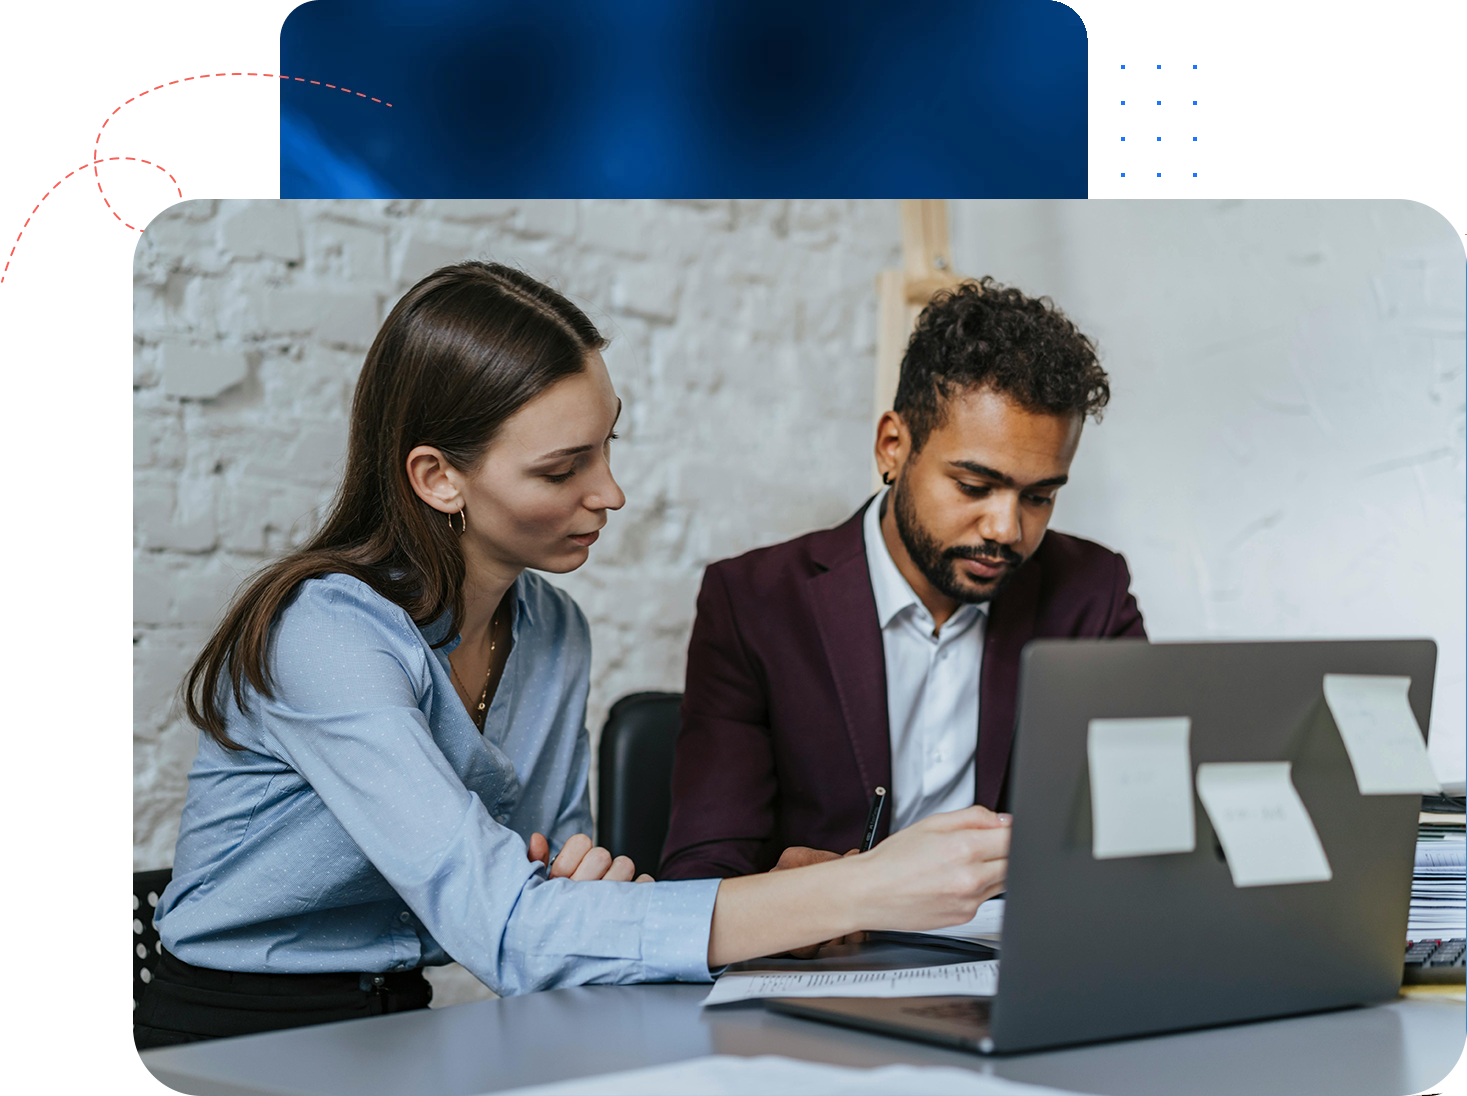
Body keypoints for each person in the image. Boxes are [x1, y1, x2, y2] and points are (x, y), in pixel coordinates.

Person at [134, 262, 1012, 1050]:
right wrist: (858, 890)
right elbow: (513, 931)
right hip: (227, 1038)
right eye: (562, 470)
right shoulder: (324, 635)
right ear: (438, 477)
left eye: (608, 446)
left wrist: (579, 889)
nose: (610, 493)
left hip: (401, 1022)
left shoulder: (552, 630)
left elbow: (559, 894)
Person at [659, 277, 1146, 887]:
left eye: (1040, 497)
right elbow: (702, 871)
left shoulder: (1092, 594)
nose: (1006, 529)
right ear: (893, 446)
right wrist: (798, 901)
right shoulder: (754, 603)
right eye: (973, 486)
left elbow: (1145, 827)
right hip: (826, 968)